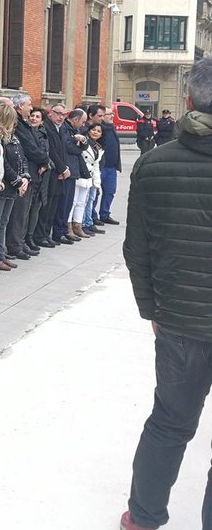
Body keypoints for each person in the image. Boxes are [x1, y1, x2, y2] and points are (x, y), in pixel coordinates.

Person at [120, 57, 212, 530]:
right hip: (179, 317)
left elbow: (137, 250)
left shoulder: (154, 164)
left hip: (178, 320)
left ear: (190, 100)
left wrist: (151, 308)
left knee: (170, 423)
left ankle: (143, 516)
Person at [0, 104, 29, 272]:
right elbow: (4, 164)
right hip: (3, 185)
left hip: (13, 186)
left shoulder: (13, 136)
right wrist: (17, 181)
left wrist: (25, 177)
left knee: (3, 222)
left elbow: (22, 158)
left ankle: (0, 253)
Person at [9, 93, 48, 256]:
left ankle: (21, 241)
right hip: (24, 173)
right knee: (19, 213)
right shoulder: (18, 125)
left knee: (25, 211)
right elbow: (30, 148)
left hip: (32, 171)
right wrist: (44, 159)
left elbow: (37, 146)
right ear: (20, 106)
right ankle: (15, 245)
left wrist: (44, 161)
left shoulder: (24, 124)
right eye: (29, 105)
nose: (31, 108)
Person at [39, 105, 72, 245]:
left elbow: (62, 151)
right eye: (58, 113)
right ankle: (40, 236)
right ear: (50, 113)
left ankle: (47, 234)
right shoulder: (47, 127)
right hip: (51, 172)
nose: (61, 117)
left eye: (63, 114)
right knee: (46, 207)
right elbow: (51, 150)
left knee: (53, 206)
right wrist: (62, 169)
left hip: (59, 172)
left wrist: (64, 168)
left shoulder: (61, 128)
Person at [27, 108, 54, 247]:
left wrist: (46, 164)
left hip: (43, 176)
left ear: (42, 121)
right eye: (32, 116)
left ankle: (30, 237)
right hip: (32, 174)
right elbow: (33, 152)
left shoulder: (44, 134)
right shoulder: (27, 133)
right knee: (27, 209)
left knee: (36, 208)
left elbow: (47, 153)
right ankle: (25, 239)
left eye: (37, 117)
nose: (34, 118)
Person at [64, 109, 91, 240]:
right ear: (75, 119)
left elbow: (84, 146)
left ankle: (75, 226)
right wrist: (78, 145)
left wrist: (82, 142)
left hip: (75, 169)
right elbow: (69, 147)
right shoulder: (66, 129)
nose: (83, 125)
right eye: (82, 122)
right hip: (68, 168)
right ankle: (66, 228)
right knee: (69, 202)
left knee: (75, 201)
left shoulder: (76, 130)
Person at [99, 109, 122, 225]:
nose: (112, 116)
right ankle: (92, 217)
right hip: (101, 167)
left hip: (112, 167)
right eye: (109, 114)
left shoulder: (112, 128)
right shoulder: (100, 129)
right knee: (95, 193)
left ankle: (105, 214)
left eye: (112, 114)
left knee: (110, 191)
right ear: (102, 116)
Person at [80, 123, 104, 235]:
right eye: (93, 130)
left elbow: (96, 164)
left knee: (91, 199)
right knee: (82, 201)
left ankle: (89, 222)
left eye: (98, 131)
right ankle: (83, 223)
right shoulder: (84, 142)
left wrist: (97, 180)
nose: (95, 132)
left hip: (93, 175)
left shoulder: (98, 146)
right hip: (84, 174)